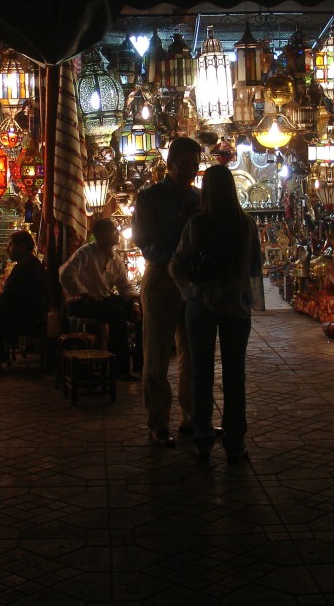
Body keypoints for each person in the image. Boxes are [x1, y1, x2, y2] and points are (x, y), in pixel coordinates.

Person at [170, 164, 264, 463]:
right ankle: (235, 440)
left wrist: (189, 291)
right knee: (235, 374)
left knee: (202, 372)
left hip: (203, 304)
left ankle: (203, 437)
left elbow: (177, 264)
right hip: (236, 306)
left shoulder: (198, 225)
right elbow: (254, 267)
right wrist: (248, 297)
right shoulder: (246, 224)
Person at [132, 136, 202, 447]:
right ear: (169, 165)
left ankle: (193, 416)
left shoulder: (200, 199)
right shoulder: (150, 198)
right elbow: (142, 237)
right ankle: (157, 422)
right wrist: (178, 221)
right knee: (157, 354)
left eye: (193, 167)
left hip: (193, 280)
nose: (189, 172)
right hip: (161, 277)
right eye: (183, 166)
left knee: (193, 354)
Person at [60, 217, 142, 380]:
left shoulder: (115, 259)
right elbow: (66, 274)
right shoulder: (86, 252)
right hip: (81, 302)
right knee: (117, 314)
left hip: (103, 300)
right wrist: (84, 293)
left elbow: (124, 286)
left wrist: (134, 303)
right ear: (99, 234)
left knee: (141, 311)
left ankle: (140, 363)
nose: (117, 234)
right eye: (113, 231)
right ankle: (120, 369)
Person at [0, 230, 48, 373]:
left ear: (22, 247)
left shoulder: (25, 267)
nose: (7, 248)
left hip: (25, 317)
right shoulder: (28, 264)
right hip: (24, 312)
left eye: (10, 245)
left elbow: (12, 297)